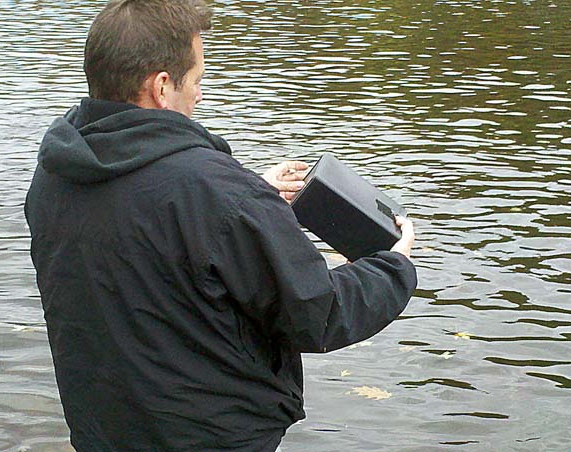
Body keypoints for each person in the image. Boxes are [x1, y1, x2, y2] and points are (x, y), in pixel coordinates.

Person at [23, 0, 417, 451]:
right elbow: (318, 314)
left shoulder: (57, 174)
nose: (201, 95)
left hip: (104, 431)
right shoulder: (218, 194)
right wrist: (393, 265)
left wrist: (256, 196)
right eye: (197, 80)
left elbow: (153, 246)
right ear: (162, 86)